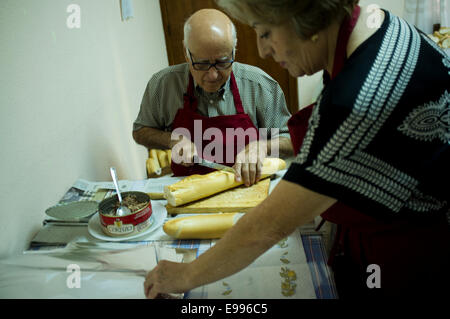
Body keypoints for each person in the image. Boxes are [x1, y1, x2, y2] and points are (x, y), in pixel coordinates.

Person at [144, 0, 450, 298]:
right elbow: (342, 140)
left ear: (305, 21)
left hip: (404, 259)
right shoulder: (376, 22)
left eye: (264, 32)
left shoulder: (356, 102)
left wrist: (186, 275)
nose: (263, 50)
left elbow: (267, 228)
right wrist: (266, 145)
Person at [133, 9, 293, 186]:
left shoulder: (261, 86)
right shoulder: (163, 85)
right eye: (201, 64)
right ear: (187, 53)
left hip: (249, 188)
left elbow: (293, 141)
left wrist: (263, 147)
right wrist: (171, 139)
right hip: (188, 191)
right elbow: (140, 132)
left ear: (234, 50)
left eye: (223, 62)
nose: (213, 75)